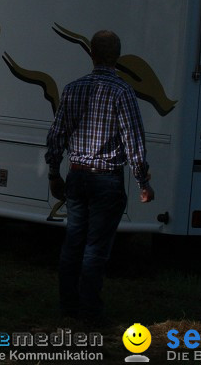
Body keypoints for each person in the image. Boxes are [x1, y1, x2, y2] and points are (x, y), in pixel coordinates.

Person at [45, 30, 154, 324]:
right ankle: (90, 311)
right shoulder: (122, 91)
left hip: (77, 176)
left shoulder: (72, 89)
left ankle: (68, 306)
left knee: (73, 242)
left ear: (91, 54)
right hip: (106, 179)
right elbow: (133, 140)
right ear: (117, 57)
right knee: (96, 248)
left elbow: (57, 135)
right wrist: (143, 182)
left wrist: (54, 172)